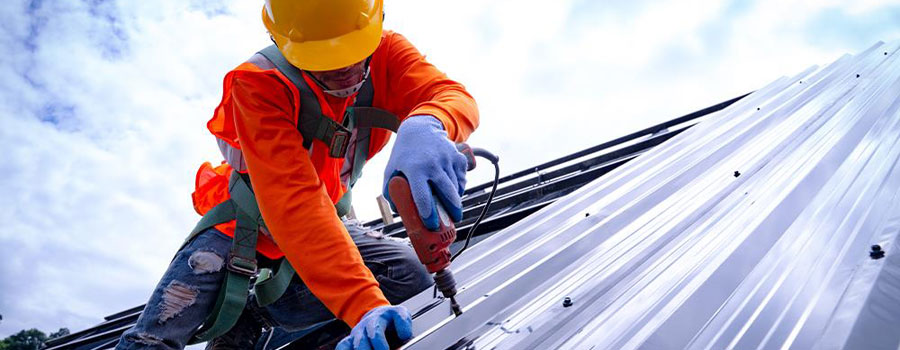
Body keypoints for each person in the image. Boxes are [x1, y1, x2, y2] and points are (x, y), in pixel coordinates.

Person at [115, 0, 478, 349]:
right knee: (154, 339)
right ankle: (239, 311)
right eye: (324, 59)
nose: (342, 69)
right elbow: (295, 203)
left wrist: (429, 124)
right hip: (244, 226)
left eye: (351, 53)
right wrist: (363, 304)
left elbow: (449, 95)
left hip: (326, 223)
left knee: (408, 275)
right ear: (282, 43)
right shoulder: (259, 84)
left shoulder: (388, 52)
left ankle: (254, 310)